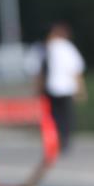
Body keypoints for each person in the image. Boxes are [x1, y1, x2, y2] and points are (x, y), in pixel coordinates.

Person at [38, 22, 86, 152]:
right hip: (65, 88)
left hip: (52, 88)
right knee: (66, 117)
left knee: (56, 116)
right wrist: (80, 89)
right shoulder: (67, 47)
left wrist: (38, 89)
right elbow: (76, 70)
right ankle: (64, 140)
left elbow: (40, 72)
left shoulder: (46, 47)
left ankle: (58, 140)